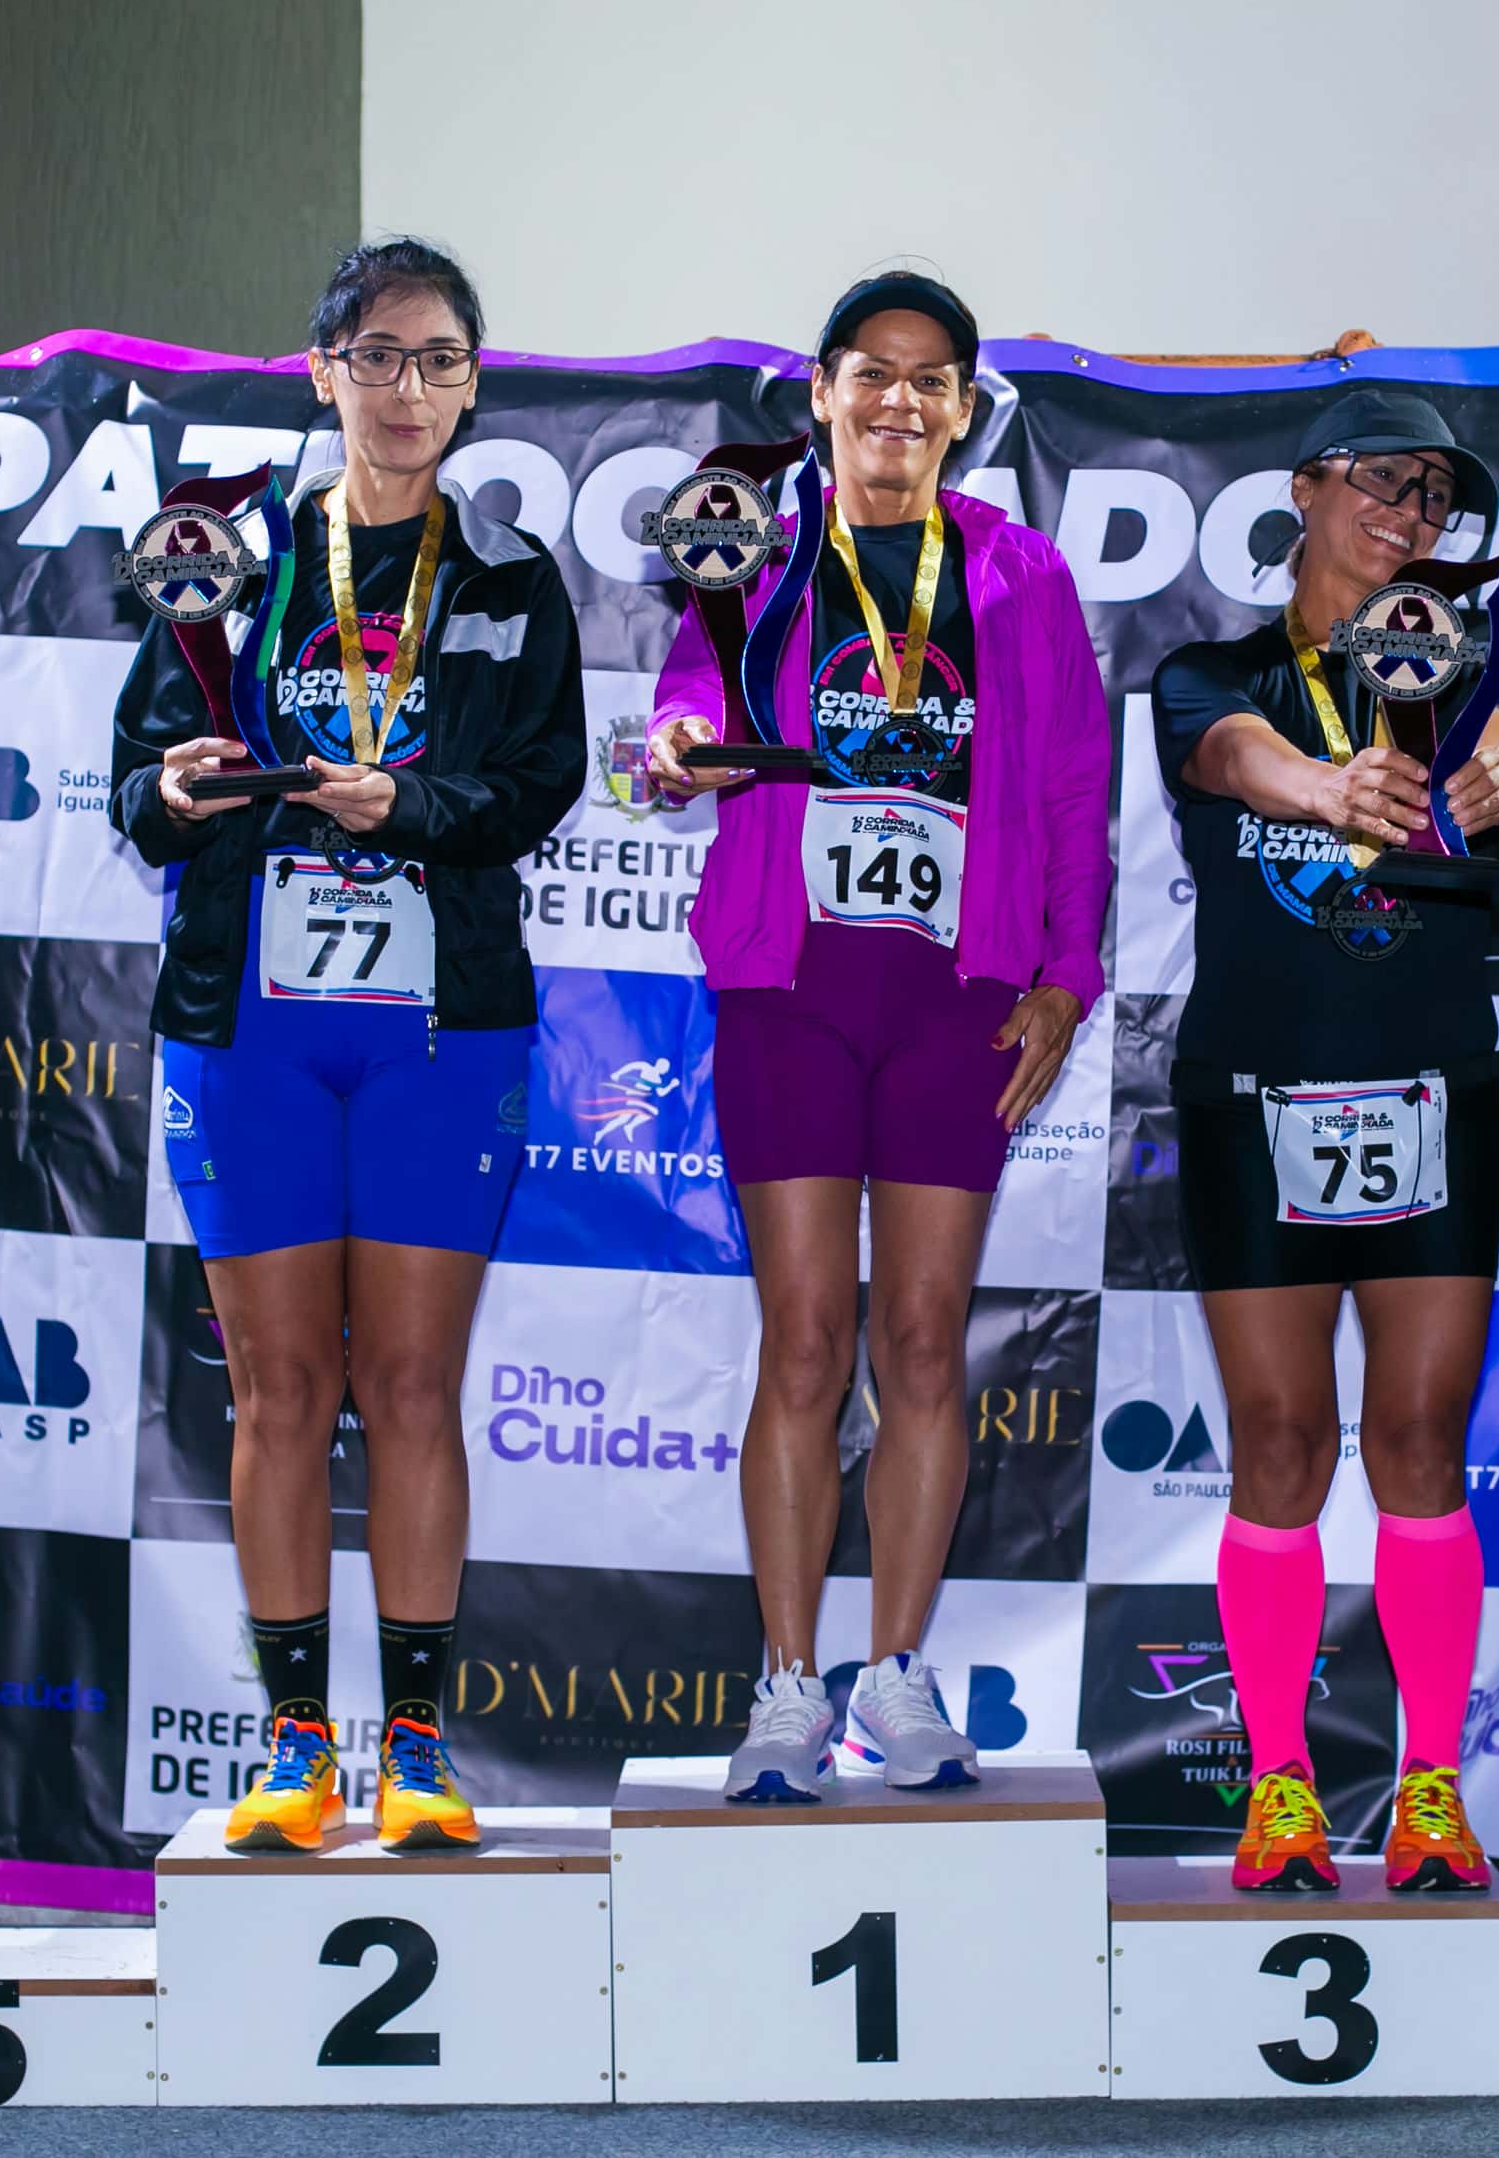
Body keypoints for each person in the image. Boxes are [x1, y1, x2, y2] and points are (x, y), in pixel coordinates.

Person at [108, 238, 586, 1854]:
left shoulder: (508, 580)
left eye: (439, 359)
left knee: (410, 1384)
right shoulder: (233, 565)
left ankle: (421, 1752)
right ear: (323, 372)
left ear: (471, 386)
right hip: (248, 1027)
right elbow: (138, 780)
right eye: (376, 355)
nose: (406, 388)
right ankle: (299, 1744)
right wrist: (175, 791)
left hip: (441, 1035)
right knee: (280, 1390)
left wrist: (411, 804)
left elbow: (540, 783)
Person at [643, 272, 1110, 1800]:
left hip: (958, 996)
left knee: (921, 1338)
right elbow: (687, 702)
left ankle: (895, 1673)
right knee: (803, 1338)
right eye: (873, 373)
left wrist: (1066, 974)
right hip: (790, 983)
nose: (899, 400)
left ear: (964, 409)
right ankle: (787, 1684)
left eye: (930, 379)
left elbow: (1072, 788)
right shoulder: (760, 547)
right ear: (823, 392)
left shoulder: (1022, 574)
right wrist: (676, 745)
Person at [1151, 392, 1499, 1893]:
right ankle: (1282, 1788)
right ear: (1305, 489)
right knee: (1281, 1443)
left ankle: (1432, 1789)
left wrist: (1494, 765)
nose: (1410, 511)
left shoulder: (1478, 672)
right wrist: (1333, 789)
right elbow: (1232, 754)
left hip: (1434, 1090)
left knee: (1423, 1442)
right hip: (1255, 1095)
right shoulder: (1210, 670)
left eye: (1436, 495)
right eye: (1385, 479)